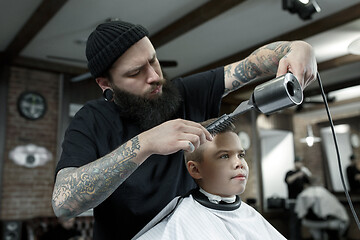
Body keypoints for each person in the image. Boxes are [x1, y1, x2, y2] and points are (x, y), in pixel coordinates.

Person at [52, 20, 318, 239]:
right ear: (104, 83)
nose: (154, 76)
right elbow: (64, 203)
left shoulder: (185, 93)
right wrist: (144, 144)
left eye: (153, 61)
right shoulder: (92, 120)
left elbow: (253, 64)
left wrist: (297, 48)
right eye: (135, 73)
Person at [133, 119, 286, 239]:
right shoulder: (182, 220)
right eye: (224, 156)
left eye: (241, 155)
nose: (239, 163)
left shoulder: (249, 214)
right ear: (196, 169)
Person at [285, 156, 312, 240]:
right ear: (295, 163)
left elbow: (310, 183)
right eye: (298, 162)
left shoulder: (303, 174)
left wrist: (307, 173)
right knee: (294, 223)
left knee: (300, 223)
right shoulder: (290, 173)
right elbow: (288, 180)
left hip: (301, 201)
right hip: (293, 201)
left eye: (301, 162)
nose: (300, 164)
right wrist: (297, 175)